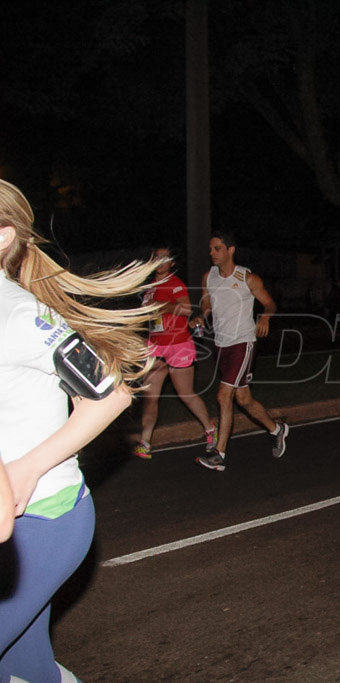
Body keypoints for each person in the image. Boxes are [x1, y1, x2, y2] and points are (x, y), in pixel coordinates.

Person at [1, 178, 158, 682]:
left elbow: (111, 394)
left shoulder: (22, 316)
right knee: (24, 666)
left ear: (3, 236)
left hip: (42, 520)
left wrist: (26, 470)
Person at [189, 232, 289, 471]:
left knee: (224, 396)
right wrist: (201, 316)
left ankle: (219, 455)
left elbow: (270, 303)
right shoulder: (209, 277)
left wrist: (265, 316)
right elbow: (206, 303)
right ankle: (277, 429)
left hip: (243, 343)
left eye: (216, 248)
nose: (211, 253)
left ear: (230, 250)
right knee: (243, 398)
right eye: (210, 249)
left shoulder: (247, 278)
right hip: (221, 345)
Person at [132, 247, 217, 459]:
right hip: (155, 345)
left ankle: (210, 430)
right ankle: (145, 442)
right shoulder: (149, 287)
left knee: (185, 395)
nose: (160, 261)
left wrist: (162, 304)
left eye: (165, 258)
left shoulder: (175, 284)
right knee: (150, 398)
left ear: (171, 263)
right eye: (157, 257)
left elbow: (186, 309)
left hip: (178, 345)